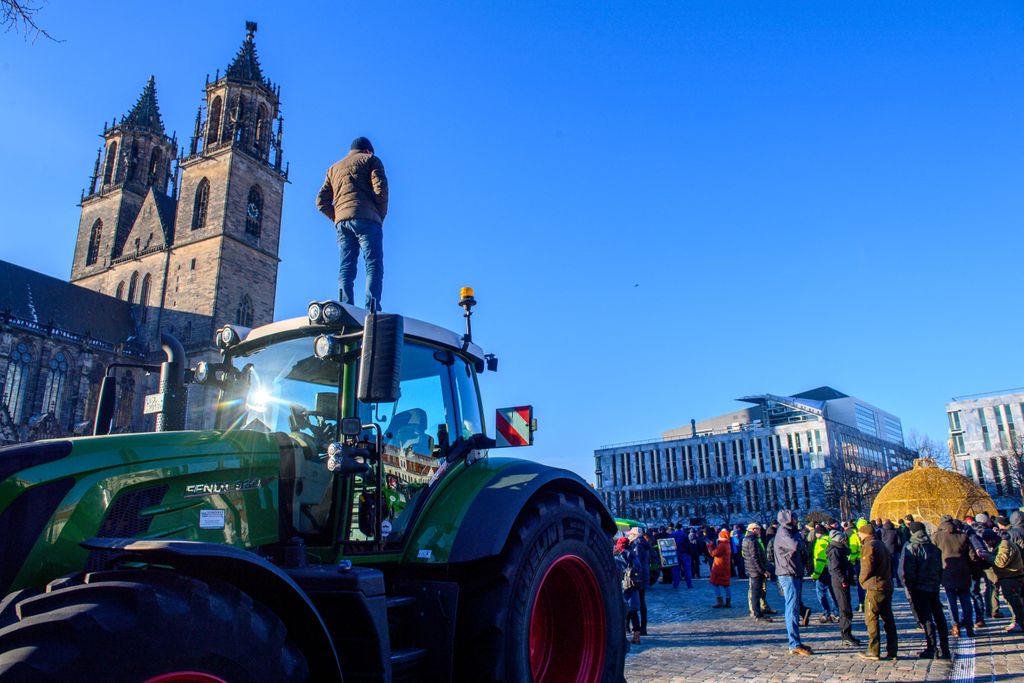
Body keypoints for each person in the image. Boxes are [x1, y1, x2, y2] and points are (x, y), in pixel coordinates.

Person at [316, 137, 389, 310]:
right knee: (373, 264)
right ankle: (372, 309)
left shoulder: (333, 169)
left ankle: (345, 308)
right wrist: (380, 215)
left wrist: (337, 216)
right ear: (368, 151)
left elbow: (320, 201)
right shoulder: (371, 160)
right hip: (368, 220)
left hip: (342, 223)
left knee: (346, 267)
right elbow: (381, 190)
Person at [899, 521, 951, 659]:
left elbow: (908, 570)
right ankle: (945, 648)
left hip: (919, 588)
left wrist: (909, 587)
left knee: (927, 618)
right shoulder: (934, 548)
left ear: (912, 532)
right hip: (933, 587)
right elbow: (940, 569)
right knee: (939, 617)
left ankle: (932, 647)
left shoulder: (912, 548)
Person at [858, 519, 898, 661]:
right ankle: (892, 649)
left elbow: (867, 566)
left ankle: (873, 650)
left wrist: (861, 580)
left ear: (864, 534)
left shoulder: (869, 546)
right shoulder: (881, 544)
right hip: (886, 585)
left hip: (875, 586)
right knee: (888, 618)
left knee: (872, 618)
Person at [774, 510, 813, 655]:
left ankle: (796, 641)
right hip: (788, 574)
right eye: (795, 518)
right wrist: (801, 535)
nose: (797, 520)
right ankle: (794, 644)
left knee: (794, 607)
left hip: (793, 572)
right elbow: (795, 546)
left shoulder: (789, 531)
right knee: (792, 608)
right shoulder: (784, 532)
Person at [933, 515, 976, 637]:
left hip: (946, 572)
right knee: (966, 600)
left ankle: (955, 626)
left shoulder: (937, 537)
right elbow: (972, 556)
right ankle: (969, 627)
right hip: (963, 572)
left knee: (951, 601)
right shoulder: (962, 536)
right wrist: (975, 572)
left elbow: (934, 557)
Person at [980, 528, 1024, 633]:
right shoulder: (1000, 545)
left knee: (1015, 602)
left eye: (987, 542)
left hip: (1012, 577)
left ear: (991, 540)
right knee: (1012, 601)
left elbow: (1000, 562)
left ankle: (1020, 623)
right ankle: (1017, 621)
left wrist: (987, 556)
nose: (987, 544)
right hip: (1008, 577)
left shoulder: (1005, 545)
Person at [826, 528, 862, 647]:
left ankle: (847, 633)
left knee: (846, 607)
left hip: (842, 581)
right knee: (844, 608)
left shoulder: (840, 550)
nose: (846, 541)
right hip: (839, 582)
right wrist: (843, 579)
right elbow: (834, 568)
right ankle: (846, 634)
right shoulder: (835, 551)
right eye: (844, 540)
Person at [614, 536, 642, 644]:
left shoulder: (620, 556)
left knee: (623, 610)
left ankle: (622, 636)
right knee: (634, 611)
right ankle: (636, 637)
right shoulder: (634, 554)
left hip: (624, 585)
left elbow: (617, 570)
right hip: (634, 584)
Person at [743, 522, 773, 622]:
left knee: (756, 592)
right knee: (756, 592)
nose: (760, 531)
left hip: (752, 570)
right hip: (755, 571)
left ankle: (758, 612)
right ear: (753, 530)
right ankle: (757, 613)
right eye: (758, 529)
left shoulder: (748, 539)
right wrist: (762, 571)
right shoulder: (752, 540)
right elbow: (755, 558)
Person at [810, 524, 837, 623]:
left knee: (821, 592)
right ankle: (836, 613)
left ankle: (826, 613)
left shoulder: (820, 542)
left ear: (818, 533)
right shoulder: (830, 540)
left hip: (823, 571)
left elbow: (820, 560)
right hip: (832, 569)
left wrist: (816, 574)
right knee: (832, 592)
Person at [628, 528, 651, 635]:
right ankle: (643, 626)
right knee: (642, 601)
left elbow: (636, 562)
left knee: (635, 602)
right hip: (645, 574)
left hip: (638, 575)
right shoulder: (645, 543)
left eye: (631, 534)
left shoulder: (637, 544)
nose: (629, 536)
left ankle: (639, 628)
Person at [709, 529, 733, 608]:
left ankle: (719, 601)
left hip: (719, 567)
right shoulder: (728, 544)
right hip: (726, 567)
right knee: (726, 584)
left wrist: (709, 546)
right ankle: (728, 601)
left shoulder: (722, 545)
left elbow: (714, 553)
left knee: (715, 583)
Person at [882, 520, 903, 588]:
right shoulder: (895, 531)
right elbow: (899, 542)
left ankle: (889, 583)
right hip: (894, 551)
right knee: (896, 567)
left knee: (887, 568)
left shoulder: (882, 531)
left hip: (885, 551)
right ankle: (898, 583)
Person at [672, 523, 694, 589]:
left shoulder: (672, 534)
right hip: (684, 553)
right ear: (681, 528)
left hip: (675, 554)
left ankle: (675, 584)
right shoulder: (684, 534)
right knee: (687, 570)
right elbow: (688, 545)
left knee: (675, 570)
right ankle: (689, 584)